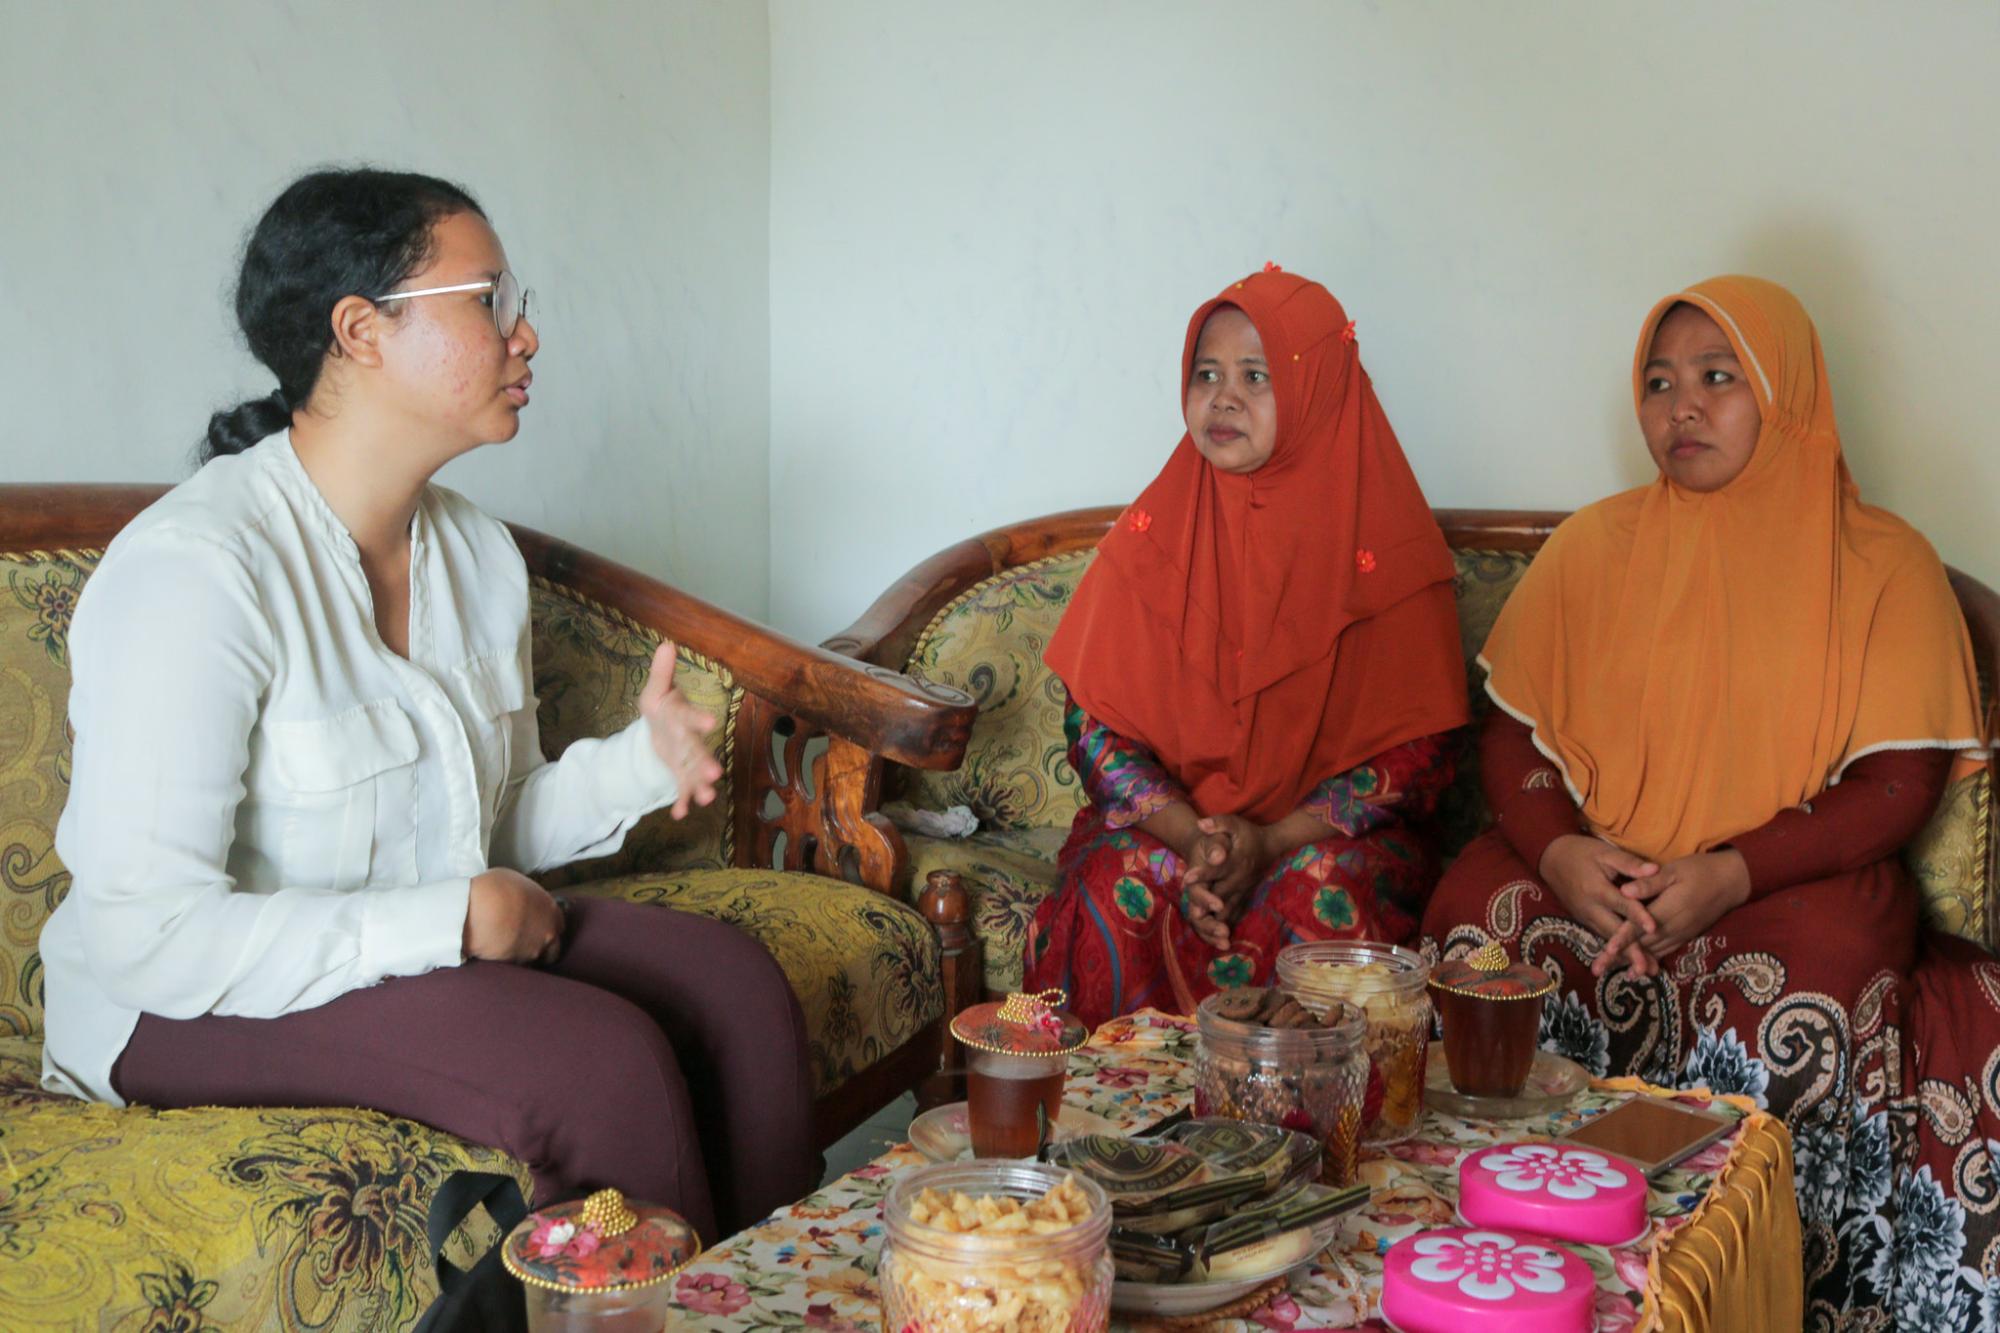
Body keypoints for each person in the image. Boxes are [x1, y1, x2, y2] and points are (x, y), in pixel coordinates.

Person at [38, 168, 814, 1243]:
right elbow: (149, 933)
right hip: (174, 1003)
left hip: (387, 948)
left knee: (733, 987)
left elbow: (479, 829)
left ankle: (777, 1307)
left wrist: (640, 763)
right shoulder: (196, 572)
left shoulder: (475, 555)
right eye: (487, 299)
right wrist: (446, 918)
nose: (524, 333)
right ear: (360, 331)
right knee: (595, 1064)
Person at [1421, 276, 1994, 1320]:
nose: (1678, 406)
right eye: (1657, 381)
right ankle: (1499, 1259)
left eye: (1716, 378)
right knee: (1482, 912)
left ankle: (1761, 1281)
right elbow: (1512, 732)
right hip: (1599, 868)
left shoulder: (1880, 561)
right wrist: (1557, 856)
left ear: (1784, 393)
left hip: (1775, 875)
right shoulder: (1593, 546)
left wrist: (1726, 873)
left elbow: (1895, 783)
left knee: (1809, 965)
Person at [1023, 266, 1468, 1028]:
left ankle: (1317, 1138)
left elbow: (1418, 759)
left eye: (1256, 376)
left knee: (1321, 895)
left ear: (1319, 389)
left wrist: (1271, 839)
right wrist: (1196, 838)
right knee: (1120, 881)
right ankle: (1111, 1129)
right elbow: (1093, 730)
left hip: (1318, 835)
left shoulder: (1386, 549)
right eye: (1206, 374)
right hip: (1178, 827)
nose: (1222, 397)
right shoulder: (1153, 534)